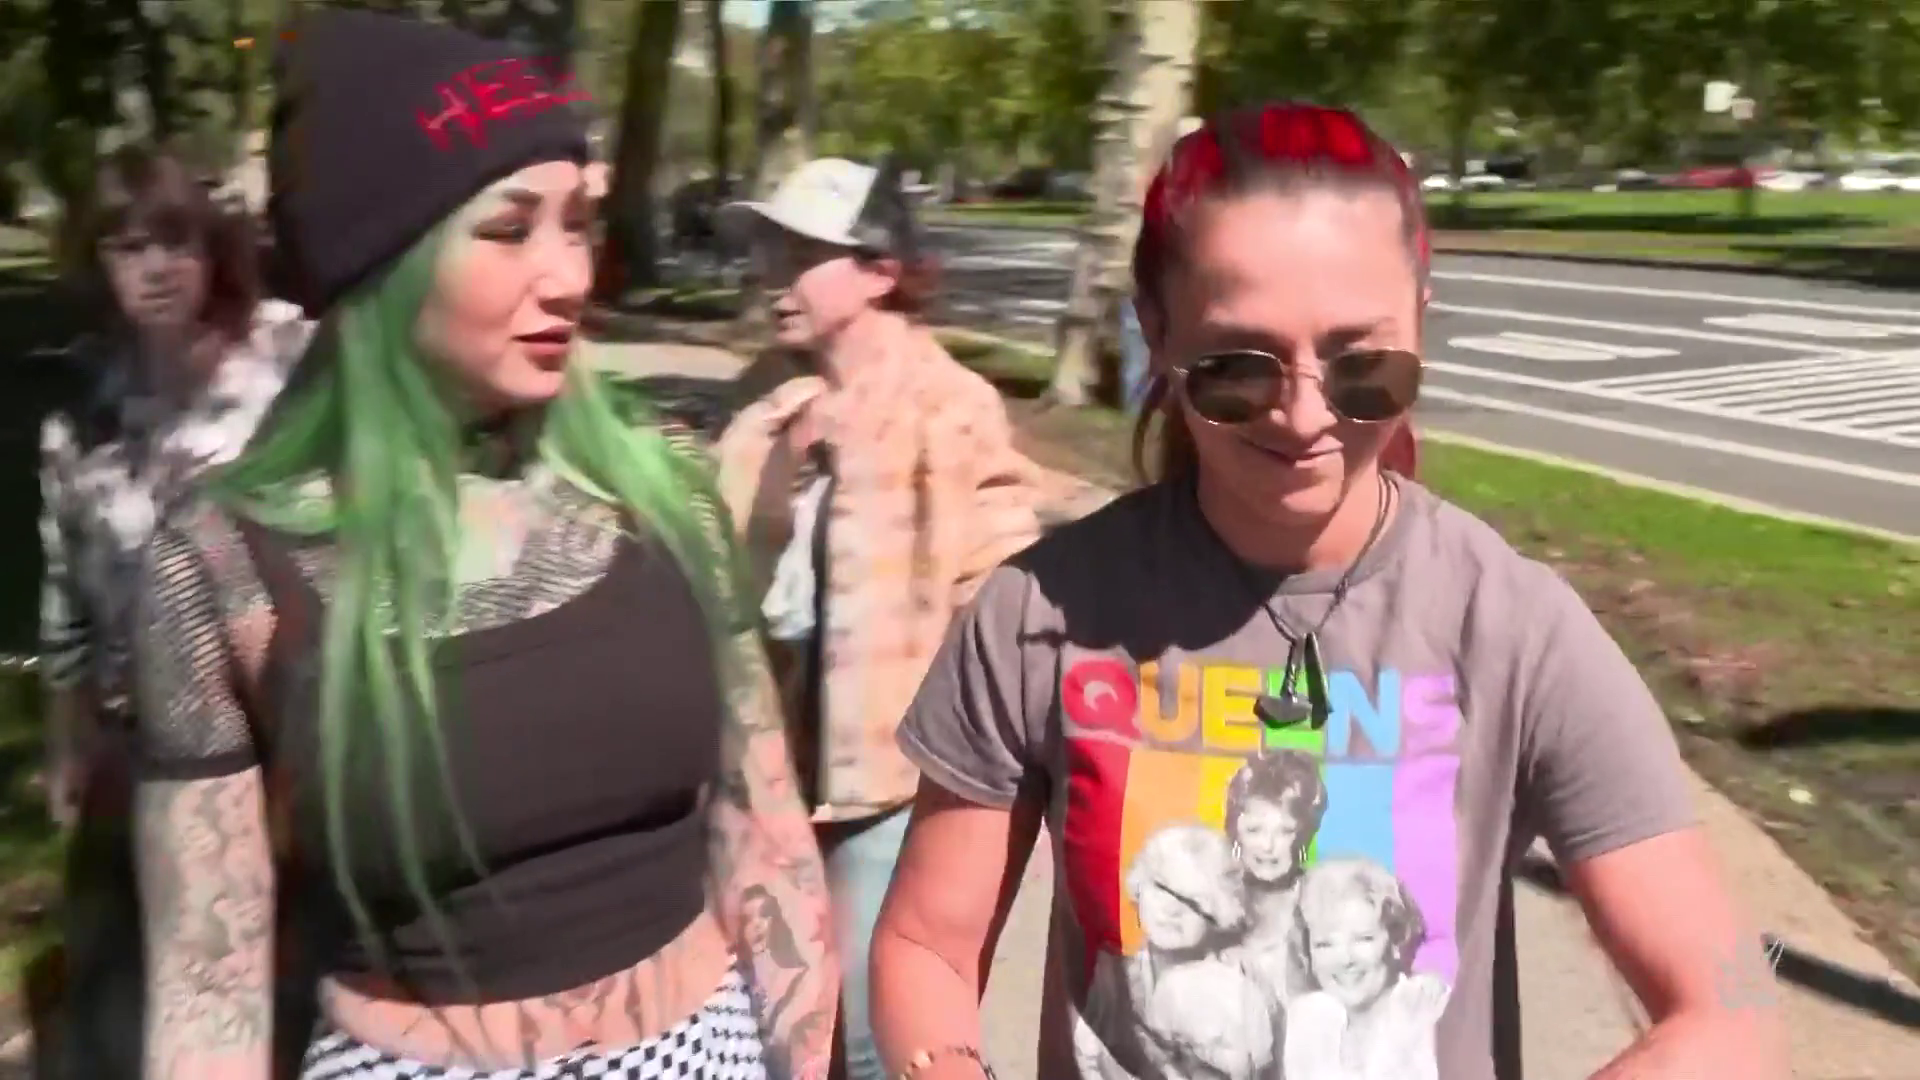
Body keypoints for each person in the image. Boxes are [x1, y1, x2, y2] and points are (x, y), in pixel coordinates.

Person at [870, 102, 1787, 1080]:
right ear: (1157, 334)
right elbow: (927, 943)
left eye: (1363, 364)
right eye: (1237, 366)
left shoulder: (1517, 627)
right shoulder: (1041, 612)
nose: (1305, 415)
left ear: (1421, 318)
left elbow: (1730, 1010)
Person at [129, 10, 833, 1080]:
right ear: (385, 264)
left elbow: (769, 845)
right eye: (509, 231)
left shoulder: (664, 497)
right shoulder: (224, 567)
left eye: (577, 224)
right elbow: (207, 982)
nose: (569, 277)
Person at [712, 158, 1045, 1079]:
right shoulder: (762, 395)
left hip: (887, 779)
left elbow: (1005, 585)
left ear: (879, 270)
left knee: (870, 1030)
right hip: (771, 769)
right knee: (765, 1017)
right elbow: (721, 563)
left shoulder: (948, 405)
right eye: (766, 252)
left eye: (799, 256)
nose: (771, 277)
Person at [35, 143, 306, 1080]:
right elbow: (67, 596)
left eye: (175, 240)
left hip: (275, 737)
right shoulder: (82, 422)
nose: (155, 267)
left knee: (274, 993)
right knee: (122, 1003)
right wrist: (66, 742)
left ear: (212, 248)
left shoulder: (286, 368)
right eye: (126, 246)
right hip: (138, 744)